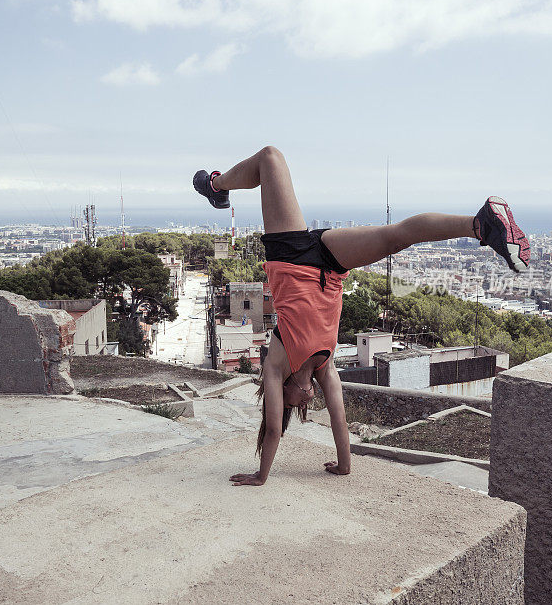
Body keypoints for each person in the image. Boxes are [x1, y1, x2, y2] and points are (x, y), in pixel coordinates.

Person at [192, 146, 530, 487]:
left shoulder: (276, 366)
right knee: (396, 238)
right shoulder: (324, 366)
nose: (307, 401)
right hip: (330, 268)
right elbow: (339, 414)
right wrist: (344, 465)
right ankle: (482, 225)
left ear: (281, 392)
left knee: (270, 157)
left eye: (297, 404)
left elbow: (275, 429)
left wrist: (260, 475)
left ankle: (216, 186)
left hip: (291, 255)